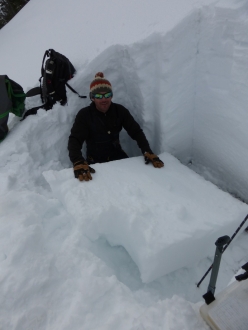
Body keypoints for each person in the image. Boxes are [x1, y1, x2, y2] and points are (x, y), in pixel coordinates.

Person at [68, 72, 164, 181]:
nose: (104, 99)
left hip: (118, 157)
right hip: (95, 162)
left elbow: (136, 131)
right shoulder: (85, 115)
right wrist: (78, 161)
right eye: (99, 96)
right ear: (92, 97)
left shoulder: (120, 111)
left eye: (107, 95)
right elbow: (75, 139)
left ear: (112, 95)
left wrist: (147, 150)